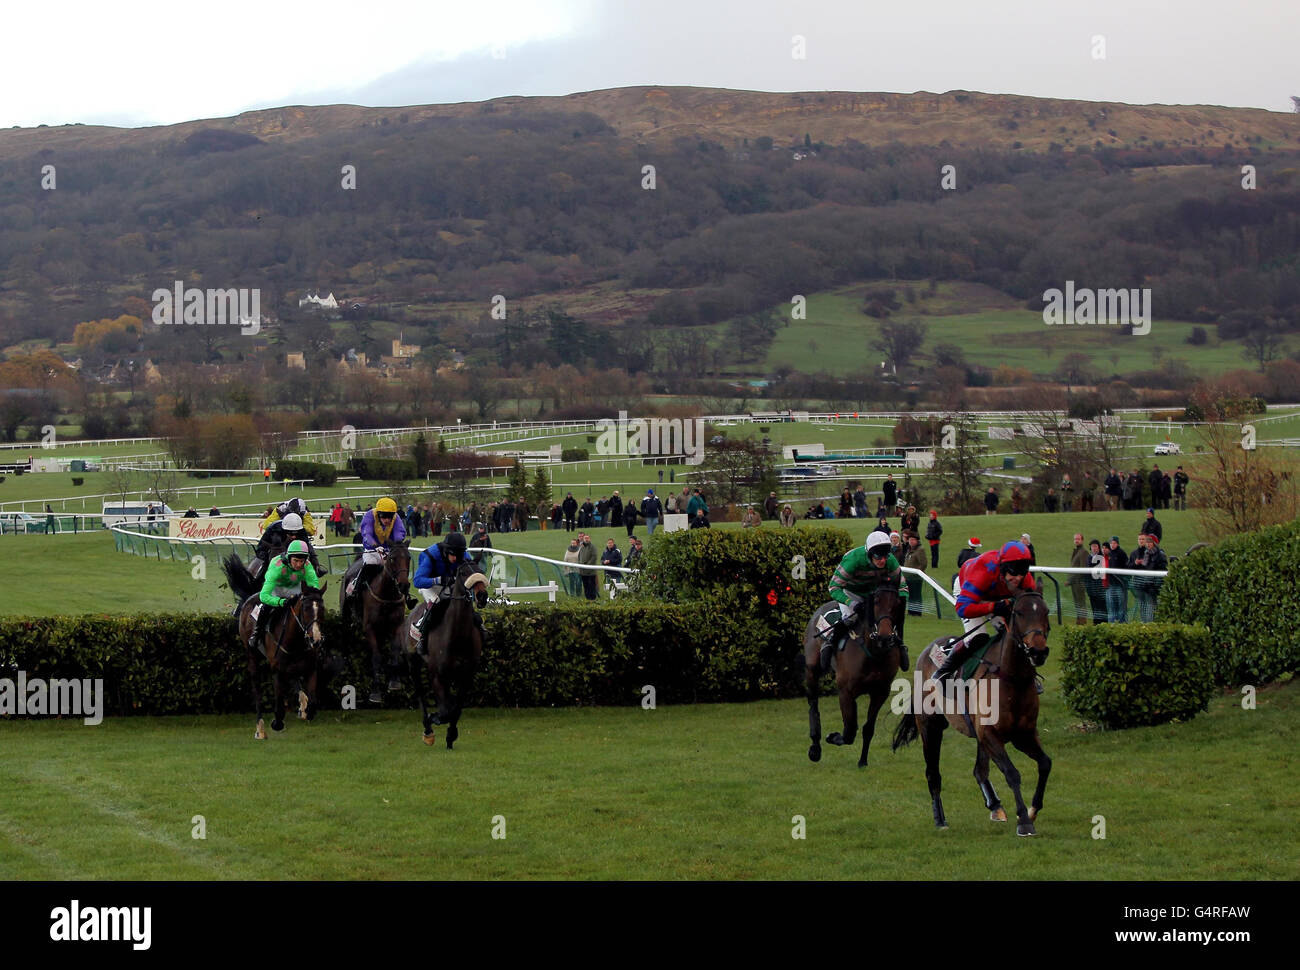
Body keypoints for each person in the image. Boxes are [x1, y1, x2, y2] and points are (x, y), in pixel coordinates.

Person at [933, 540, 1036, 683]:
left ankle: (1025, 674)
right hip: (968, 590)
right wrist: (993, 607)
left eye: (1023, 570)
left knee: (1014, 634)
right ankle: (943, 671)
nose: (1018, 577)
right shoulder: (983, 571)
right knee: (978, 637)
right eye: (1014, 571)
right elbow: (962, 609)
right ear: (1003, 567)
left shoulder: (1025, 579)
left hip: (993, 594)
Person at [824, 530, 909, 668]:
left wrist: (900, 603)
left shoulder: (891, 561)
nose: (883, 560)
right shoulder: (853, 560)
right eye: (878, 557)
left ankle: (900, 644)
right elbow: (833, 587)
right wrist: (851, 603)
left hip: (874, 593)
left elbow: (903, 586)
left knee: (889, 618)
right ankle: (830, 642)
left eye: (886, 556)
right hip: (851, 592)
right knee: (850, 618)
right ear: (869, 554)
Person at [410, 530, 485, 648]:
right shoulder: (431, 556)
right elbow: (417, 581)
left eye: (458, 555)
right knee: (436, 601)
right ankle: (422, 634)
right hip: (429, 584)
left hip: (448, 582)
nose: (455, 558)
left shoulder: (463, 555)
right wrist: (438, 580)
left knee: (463, 597)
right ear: (446, 551)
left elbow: (471, 573)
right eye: (453, 555)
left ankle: (479, 625)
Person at [342, 497, 408, 620]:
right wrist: (375, 546)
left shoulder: (396, 518)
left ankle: (405, 594)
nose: (387, 520)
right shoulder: (369, 515)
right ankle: (356, 587)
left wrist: (394, 545)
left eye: (390, 517)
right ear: (378, 514)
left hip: (389, 550)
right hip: (371, 550)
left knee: (398, 568)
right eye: (384, 517)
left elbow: (400, 533)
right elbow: (367, 533)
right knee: (371, 562)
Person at [248, 539, 320, 651]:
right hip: (277, 588)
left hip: (295, 587)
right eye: (295, 561)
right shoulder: (277, 566)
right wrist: (281, 602)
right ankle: (257, 633)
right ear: (289, 557)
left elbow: (313, 588)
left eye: (301, 561)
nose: (299, 564)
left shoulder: (307, 565)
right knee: (266, 607)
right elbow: (263, 596)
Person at [254, 511, 323, 576]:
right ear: (284, 529)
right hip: (273, 555)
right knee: (262, 571)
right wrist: (267, 560)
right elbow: (261, 548)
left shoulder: (301, 530)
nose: (294, 536)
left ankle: (317, 570)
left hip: (293, 556)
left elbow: (309, 548)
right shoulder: (273, 529)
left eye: (296, 533)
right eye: (291, 533)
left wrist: (315, 563)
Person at [1085, 539, 1109, 624]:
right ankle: (1096, 624)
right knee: (1094, 608)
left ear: (1098, 547)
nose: (1094, 548)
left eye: (1095, 546)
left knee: (1102, 607)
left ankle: (1104, 624)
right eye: (1092, 546)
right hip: (1091, 589)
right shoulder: (1089, 557)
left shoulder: (1101, 558)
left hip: (1100, 589)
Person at [1105, 536, 1128, 623]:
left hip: (1119, 584)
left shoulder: (1122, 553)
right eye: (1111, 543)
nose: (1112, 545)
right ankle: (1112, 623)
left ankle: (1122, 623)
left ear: (1117, 544)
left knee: (1121, 606)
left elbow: (1126, 567)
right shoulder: (1109, 554)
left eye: (1114, 543)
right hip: (1111, 584)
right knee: (1111, 605)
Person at [903, 531, 926, 617]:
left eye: (913, 540)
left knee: (916, 595)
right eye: (910, 540)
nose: (911, 541)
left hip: (915, 577)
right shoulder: (909, 549)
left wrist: (917, 572)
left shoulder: (920, 550)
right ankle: (911, 611)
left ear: (917, 541)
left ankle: (917, 612)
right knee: (910, 595)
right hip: (908, 577)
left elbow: (923, 563)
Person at [1068, 533, 1090, 624]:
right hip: (1074, 582)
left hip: (1079, 582)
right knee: (1076, 602)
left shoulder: (1083, 552)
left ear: (1082, 540)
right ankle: (1079, 620)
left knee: (1080, 602)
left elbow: (1082, 569)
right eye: (1075, 539)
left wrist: (1071, 579)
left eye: (1078, 539)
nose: (1076, 540)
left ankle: (1082, 621)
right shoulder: (1076, 551)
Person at [577, 532, 599, 600]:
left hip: (591, 571)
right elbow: (579, 557)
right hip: (583, 571)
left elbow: (594, 557)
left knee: (591, 585)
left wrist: (588, 565)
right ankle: (587, 598)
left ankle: (593, 598)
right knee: (585, 585)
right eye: (585, 538)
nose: (586, 539)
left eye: (587, 538)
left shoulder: (592, 547)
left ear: (589, 539)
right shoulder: (581, 547)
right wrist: (580, 565)